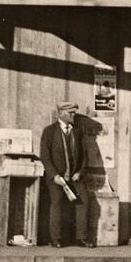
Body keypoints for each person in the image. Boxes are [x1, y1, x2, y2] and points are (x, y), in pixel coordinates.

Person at [39, 100, 92, 247]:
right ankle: (56, 239)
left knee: (84, 201)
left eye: (74, 112)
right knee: (57, 202)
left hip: (75, 177)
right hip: (56, 177)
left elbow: (84, 156)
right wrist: (54, 175)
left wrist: (80, 172)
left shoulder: (77, 132)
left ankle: (81, 238)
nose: (73, 115)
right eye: (71, 113)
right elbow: (45, 156)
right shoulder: (49, 132)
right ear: (61, 114)